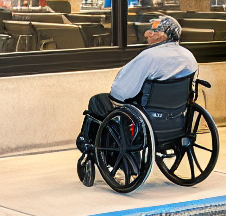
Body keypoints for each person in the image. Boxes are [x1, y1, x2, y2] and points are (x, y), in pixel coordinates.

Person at [75, 16, 198, 183]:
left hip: (145, 117)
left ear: (163, 36)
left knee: (98, 102)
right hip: (175, 119)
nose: (147, 35)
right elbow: (191, 91)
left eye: (152, 31)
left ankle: (90, 147)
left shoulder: (150, 56)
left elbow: (120, 93)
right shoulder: (188, 56)